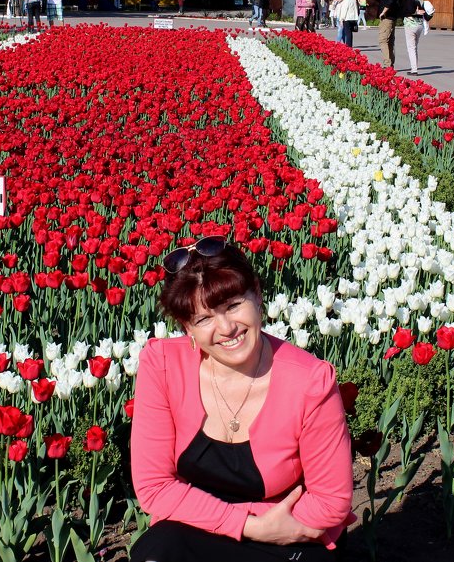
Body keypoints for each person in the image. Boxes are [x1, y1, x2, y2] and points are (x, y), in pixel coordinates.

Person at [129, 237, 355, 562]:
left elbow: (330, 501)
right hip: (199, 525)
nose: (226, 328)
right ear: (186, 327)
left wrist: (269, 529)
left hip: (289, 533)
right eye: (204, 319)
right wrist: (249, 525)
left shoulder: (309, 381)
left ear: (257, 295)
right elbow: (155, 487)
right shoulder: (162, 365)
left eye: (234, 305)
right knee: (157, 552)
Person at [404, 0, 434, 74]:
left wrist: (413, 13)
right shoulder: (420, 0)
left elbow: (408, 11)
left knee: (411, 47)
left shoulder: (410, 1)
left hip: (411, 25)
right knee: (414, 47)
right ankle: (414, 67)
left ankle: (414, 70)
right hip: (420, 25)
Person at [376, 0, 400, 67]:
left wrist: (383, 12)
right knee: (389, 41)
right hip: (393, 17)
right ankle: (390, 63)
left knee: (383, 40)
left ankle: (387, 64)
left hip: (387, 18)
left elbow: (389, 1)